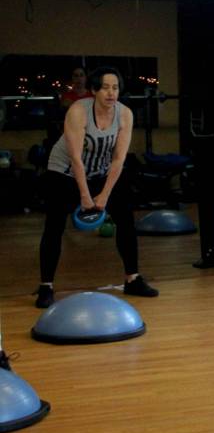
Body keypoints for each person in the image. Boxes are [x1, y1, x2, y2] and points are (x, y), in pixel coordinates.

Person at [35, 67, 159, 309]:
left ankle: (132, 279)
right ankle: (45, 286)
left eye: (115, 88)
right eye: (105, 88)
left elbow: (118, 159)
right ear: (93, 90)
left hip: (102, 172)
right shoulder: (78, 111)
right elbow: (75, 158)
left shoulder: (124, 114)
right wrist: (85, 195)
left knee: (126, 218)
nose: (111, 93)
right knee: (54, 225)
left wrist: (104, 195)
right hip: (65, 172)